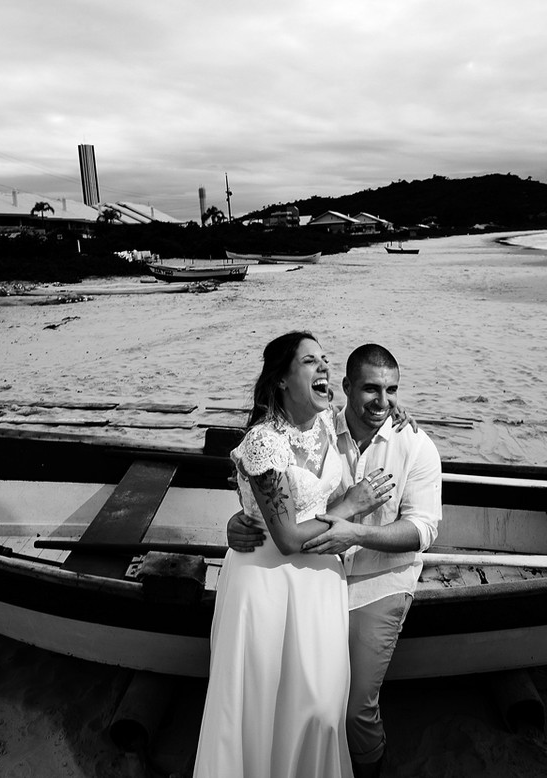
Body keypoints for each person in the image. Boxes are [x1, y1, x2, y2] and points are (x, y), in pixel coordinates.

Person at [227, 343, 443, 778]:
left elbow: (423, 531)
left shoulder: (415, 446)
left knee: (347, 710)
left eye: (392, 391)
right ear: (346, 388)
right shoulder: (321, 423)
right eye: (371, 390)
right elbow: (276, 489)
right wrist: (240, 517)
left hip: (375, 583)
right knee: (291, 699)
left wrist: (356, 532)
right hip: (314, 580)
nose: (383, 402)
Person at [193, 331, 394, 778]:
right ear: (282, 380)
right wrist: (350, 507)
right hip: (267, 585)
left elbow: (371, 409)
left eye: (325, 361)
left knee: (322, 710)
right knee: (261, 713)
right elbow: (285, 535)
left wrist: (397, 410)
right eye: (310, 362)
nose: (324, 368)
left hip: (319, 588)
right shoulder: (265, 442)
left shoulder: (327, 423)